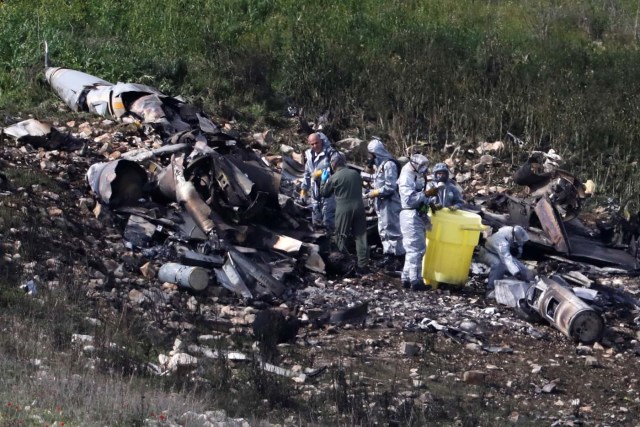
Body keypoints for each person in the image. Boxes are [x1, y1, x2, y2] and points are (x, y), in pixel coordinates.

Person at [320, 153, 370, 276]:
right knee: (360, 236)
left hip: (343, 208)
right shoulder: (356, 174)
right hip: (359, 207)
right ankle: (363, 265)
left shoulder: (334, 177)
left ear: (334, 164)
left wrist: (323, 180)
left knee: (340, 236)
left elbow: (324, 193)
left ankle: (345, 264)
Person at [365, 138, 405, 270]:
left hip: (389, 202)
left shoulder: (389, 165)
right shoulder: (380, 165)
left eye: (371, 154)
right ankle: (388, 254)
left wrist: (376, 192)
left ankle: (398, 257)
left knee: (392, 229)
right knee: (383, 229)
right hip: (381, 202)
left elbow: (390, 186)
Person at [398, 154, 431, 291]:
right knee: (416, 249)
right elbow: (409, 199)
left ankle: (406, 278)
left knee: (412, 249)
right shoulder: (406, 176)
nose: (424, 169)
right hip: (410, 214)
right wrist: (426, 194)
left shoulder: (414, 175)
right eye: (422, 166)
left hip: (416, 213)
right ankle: (415, 280)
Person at [477, 225, 535, 295]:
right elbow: (507, 258)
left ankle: (532, 281)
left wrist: (525, 272)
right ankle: (490, 290)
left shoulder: (510, 230)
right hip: (487, 252)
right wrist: (517, 273)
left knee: (518, 266)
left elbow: (518, 250)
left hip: (498, 252)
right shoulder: (502, 243)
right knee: (499, 264)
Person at [301, 132, 337, 231]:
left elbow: (338, 170)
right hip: (315, 192)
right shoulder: (309, 155)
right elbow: (307, 174)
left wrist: (321, 173)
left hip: (328, 192)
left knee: (328, 218)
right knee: (316, 219)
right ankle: (320, 241)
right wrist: (304, 191)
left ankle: (332, 242)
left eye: (316, 143)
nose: (314, 146)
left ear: (321, 141)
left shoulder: (330, 153)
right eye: (312, 144)